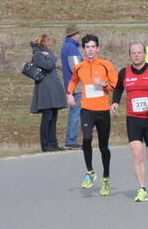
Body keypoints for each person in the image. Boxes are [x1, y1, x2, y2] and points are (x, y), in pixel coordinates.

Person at [111, 43, 148, 202]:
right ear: (130, 55)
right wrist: (115, 102)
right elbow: (118, 89)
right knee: (137, 153)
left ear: (144, 54)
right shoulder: (124, 72)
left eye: (139, 53)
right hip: (133, 118)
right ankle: (142, 189)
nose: (136, 55)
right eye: (133, 53)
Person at [66, 35, 118, 196]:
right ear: (83, 49)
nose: (90, 50)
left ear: (98, 48)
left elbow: (115, 84)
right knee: (86, 139)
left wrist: (104, 84)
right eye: (87, 47)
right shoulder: (79, 67)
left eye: (93, 47)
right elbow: (73, 81)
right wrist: (69, 93)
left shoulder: (105, 65)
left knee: (103, 146)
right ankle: (90, 172)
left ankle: (106, 179)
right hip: (87, 110)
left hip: (102, 111)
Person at [30, 34, 68, 152]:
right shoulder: (38, 54)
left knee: (53, 117)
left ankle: (53, 143)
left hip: (51, 90)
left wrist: (50, 56)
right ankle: (46, 145)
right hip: (45, 91)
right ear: (44, 42)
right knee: (47, 118)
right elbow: (48, 65)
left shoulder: (45, 53)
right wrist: (51, 57)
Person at [60, 28, 83, 149]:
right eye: (78, 33)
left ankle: (71, 139)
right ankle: (71, 139)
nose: (79, 35)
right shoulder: (72, 48)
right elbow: (76, 67)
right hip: (76, 85)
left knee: (75, 112)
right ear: (74, 34)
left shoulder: (66, 46)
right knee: (76, 112)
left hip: (71, 84)